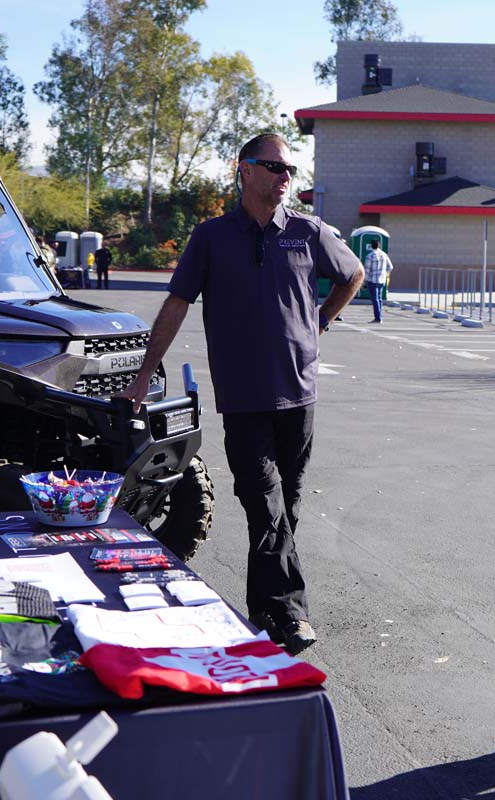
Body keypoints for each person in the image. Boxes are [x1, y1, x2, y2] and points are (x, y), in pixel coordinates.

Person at [117, 133, 364, 656]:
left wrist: (321, 319)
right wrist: (143, 374)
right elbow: (177, 304)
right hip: (245, 398)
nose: (285, 176)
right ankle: (292, 612)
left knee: (286, 507)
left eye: (289, 168)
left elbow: (353, 273)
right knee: (265, 500)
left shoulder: (307, 231)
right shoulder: (211, 238)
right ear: (244, 170)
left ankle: (263, 611)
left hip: (299, 393)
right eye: (274, 166)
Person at [362, 239, 393, 323]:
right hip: (382, 280)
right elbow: (390, 267)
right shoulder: (384, 255)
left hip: (372, 280)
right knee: (379, 299)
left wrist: (364, 281)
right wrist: (384, 273)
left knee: (375, 299)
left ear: (371, 246)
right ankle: (380, 316)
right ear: (379, 245)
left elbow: (367, 270)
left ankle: (377, 318)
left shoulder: (370, 256)